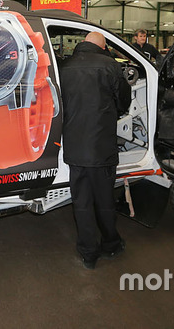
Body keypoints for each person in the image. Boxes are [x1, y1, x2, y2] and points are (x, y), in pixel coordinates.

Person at [60, 31, 131, 269]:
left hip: (74, 147)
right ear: (103, 46)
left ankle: (88, 253)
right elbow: (123, 101)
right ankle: (111, 244)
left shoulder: (64, 66)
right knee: (103, 200)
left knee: (81, 201)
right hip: (101, 147)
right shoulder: (110, 66)